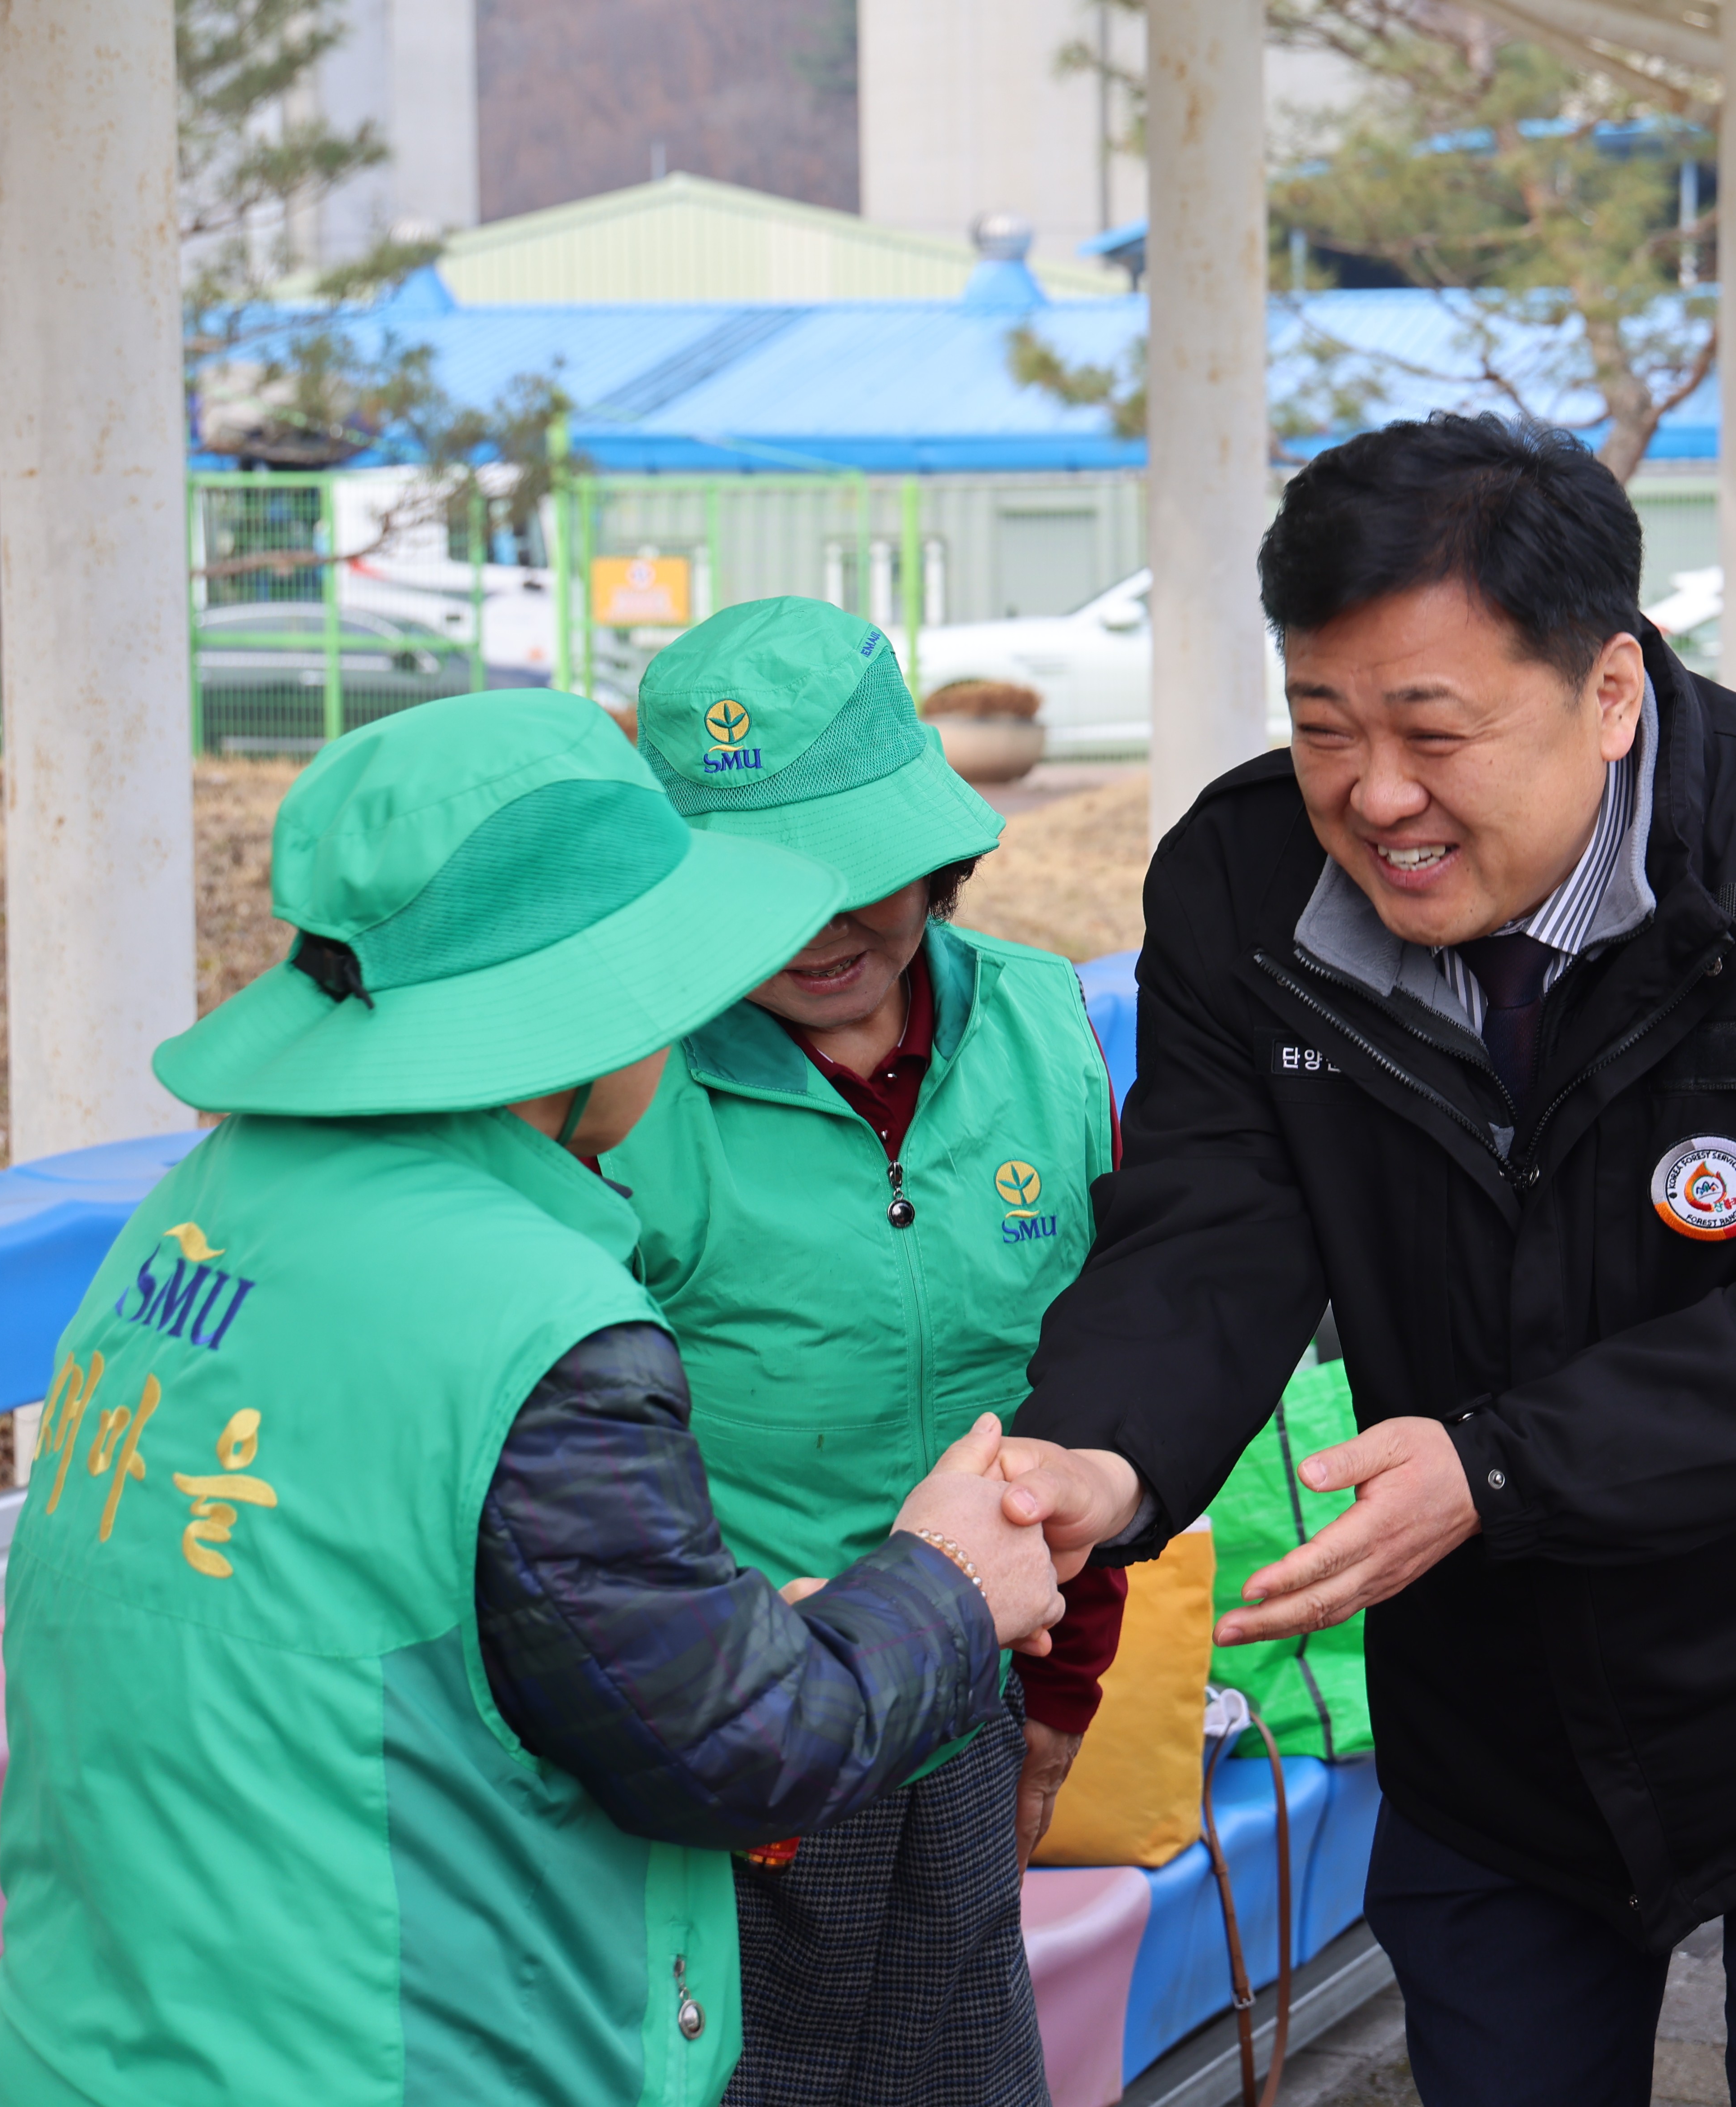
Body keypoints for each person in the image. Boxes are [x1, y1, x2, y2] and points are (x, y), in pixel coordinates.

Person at [1000, 413, 1736, 2107]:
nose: (1375, 796)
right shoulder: (1244, 884)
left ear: (1610, 691)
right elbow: (1211, 1228)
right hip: (1494, 1707)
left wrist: (1500, 1465)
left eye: (1433, 732)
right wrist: (1099, 1460)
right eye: (1324, 725)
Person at [0, 693, 1064, 2107]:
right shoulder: (533, 1316)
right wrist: (950, 1582)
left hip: (106, 2041)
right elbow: (735, 1747)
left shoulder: (196, 1215)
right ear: (585, 1002)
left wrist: (706, 1631)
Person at [602, 595, 1123, 2107]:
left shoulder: (1042, 1028)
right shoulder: (622, 1084)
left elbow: (1090, 1382)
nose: (823, 932)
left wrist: (1063, 1689)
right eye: (759, 889)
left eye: (858, 873)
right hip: (715, 1731)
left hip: (966, 1703)